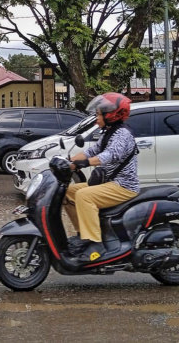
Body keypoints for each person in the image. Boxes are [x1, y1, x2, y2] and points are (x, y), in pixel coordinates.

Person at [64, 92, 140, 262]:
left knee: (84, 195)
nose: (96, 118)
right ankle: (83, 235)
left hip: (123, 186)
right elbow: (92, 151)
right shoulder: (109, 133)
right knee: (68, 191)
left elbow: (111, 155)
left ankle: (95, 243)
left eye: (98, 115)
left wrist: (85, 163)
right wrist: (67, 161)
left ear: (111, 115)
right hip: (109, 183)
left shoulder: (122, 134)